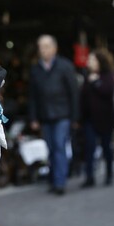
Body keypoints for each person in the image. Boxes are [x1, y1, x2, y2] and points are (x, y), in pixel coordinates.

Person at [28, 35, 79, 195]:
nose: (44, 50)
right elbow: (32, 96)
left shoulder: (65, 66)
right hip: (45, 115)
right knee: (50, 149)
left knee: (59, 145)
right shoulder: (35, 70)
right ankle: (54, 178)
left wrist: (75, 117)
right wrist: (33, 118)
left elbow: (74, 93)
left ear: (54, 48)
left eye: (47, 46)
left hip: (62, 114)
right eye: (41, 46)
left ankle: (60, 182)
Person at [79, 49, 114, 187]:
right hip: (89, 119)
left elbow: (107, 92)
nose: (89, 62)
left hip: (105, 118)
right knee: (89, 147)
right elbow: (83, 97)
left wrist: (96, 82)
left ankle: (109, 173)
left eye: (92, 60)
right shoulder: (86, 76)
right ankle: (89, 176)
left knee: (107, 147)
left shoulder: (108, 76)